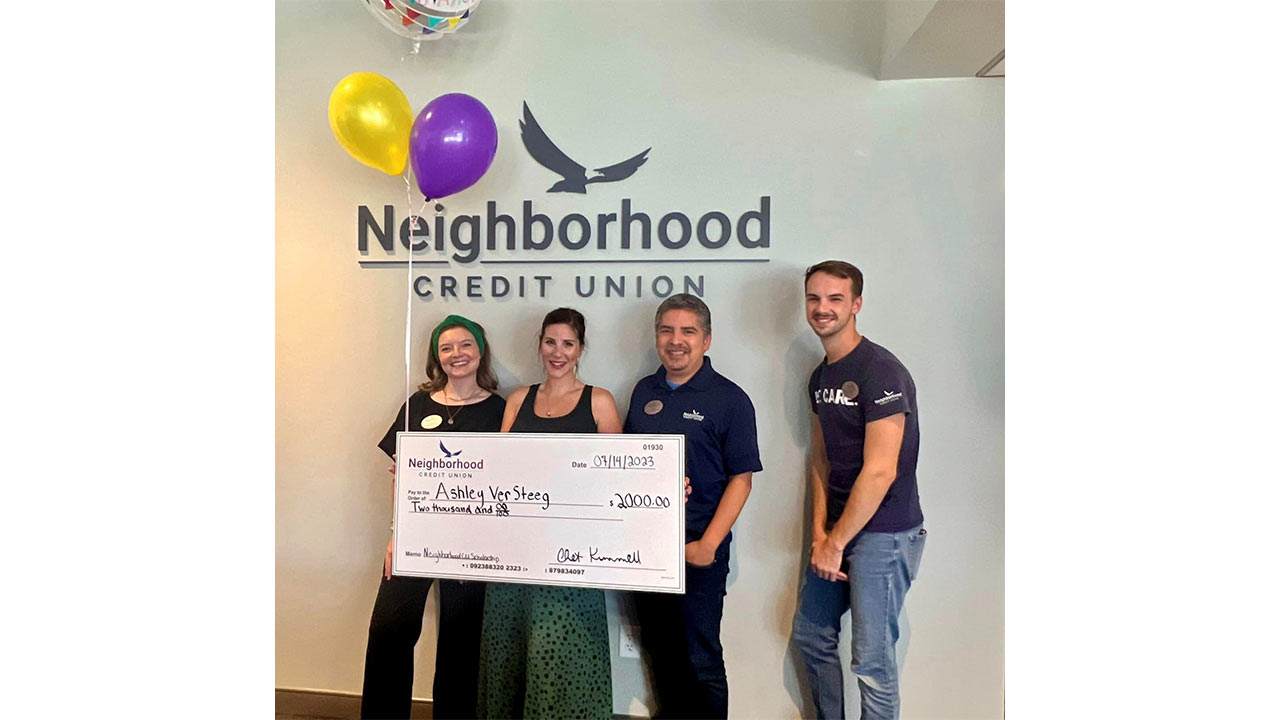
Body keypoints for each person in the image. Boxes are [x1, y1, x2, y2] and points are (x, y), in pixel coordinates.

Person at [790, 261, 927, 720]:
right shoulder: (821, 376)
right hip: (838, 533)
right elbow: (821, 458)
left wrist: (837, 542)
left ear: (856, 305)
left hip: (885, 534)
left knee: (871, 662)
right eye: (814, 298)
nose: (822, 308)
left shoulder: (881, 371)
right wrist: (819, 533)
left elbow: (879, 472)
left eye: (834, 299)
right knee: (812, 636)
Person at [477, 308, 623, 719]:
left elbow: (618, 480)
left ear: (580, 349)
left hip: (571, 559)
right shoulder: (519, 398)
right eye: (550, 342)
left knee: (559, 652)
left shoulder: (600, 401)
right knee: (508, 652)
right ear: (540, 344)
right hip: (515, 556)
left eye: (568, 344)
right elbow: (496, 470)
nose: (557, 352)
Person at [360, 315, 506, 720]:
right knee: (389, 631)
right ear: (436, 357)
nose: (456, 355)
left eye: (465, 346)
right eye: (446, 348)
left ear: (480, 352)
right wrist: (395, 536)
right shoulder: (417, 405)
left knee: (461, 642)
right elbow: (401, 478)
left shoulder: (501, 411)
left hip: (472, 545)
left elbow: (510, 478)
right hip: (415, 536)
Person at [624, 293, 762, 720]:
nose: (675, 340)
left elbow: (742, 479)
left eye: (688, 331)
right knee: (659, 652)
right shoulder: (643, 391)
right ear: (656, 337)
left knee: (700, 659)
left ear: (706, 340)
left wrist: (708, 544)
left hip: (698, 550)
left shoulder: (730, 399)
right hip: (647, 553)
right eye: (667, 330)